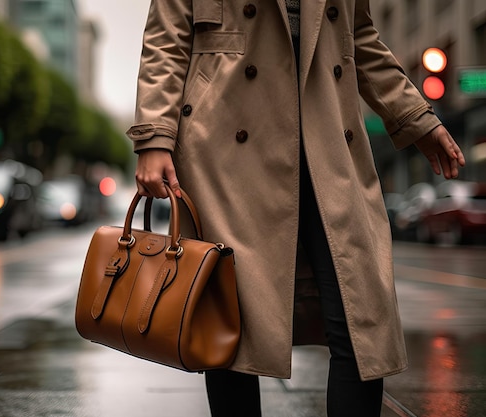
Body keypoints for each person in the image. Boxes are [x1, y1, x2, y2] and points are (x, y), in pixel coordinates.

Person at [127, 1, 465, 416]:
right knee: (229, 321)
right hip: (226, 147)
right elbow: (166, 40)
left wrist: (416, 117)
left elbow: (359, 38)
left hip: (329, 144)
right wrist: (154, 136)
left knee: (363, 320)